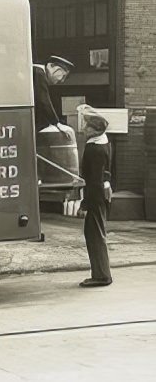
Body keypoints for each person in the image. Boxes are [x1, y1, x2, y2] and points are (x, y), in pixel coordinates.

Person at [79, 111, 112, 287]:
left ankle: (101, 276)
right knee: (96, 233)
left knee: (95, 235)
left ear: (95, 130)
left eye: (87, 126)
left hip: (95, 196)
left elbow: (93, 180)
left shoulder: (94, 149)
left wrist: (85, 204)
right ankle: (101, 273)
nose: (84, 129)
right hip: (102, 195)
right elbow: (105, 175)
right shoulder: (105, 143)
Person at [33, 55, 74, 134]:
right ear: (52, 67)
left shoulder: (37, 71)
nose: (61, 81)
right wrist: (56, 122)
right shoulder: (39, 73)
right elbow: (44, 100)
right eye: (63, 75)